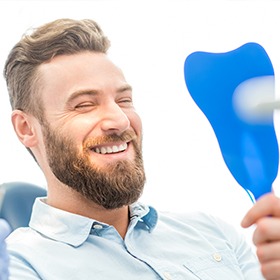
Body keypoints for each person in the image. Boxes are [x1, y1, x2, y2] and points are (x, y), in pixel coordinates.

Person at [2, 18, 280, 280]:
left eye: (124, 100)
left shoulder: (214, 233)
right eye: (84, 104)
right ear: (26, 128)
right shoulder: (20, 265)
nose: (120, 120)